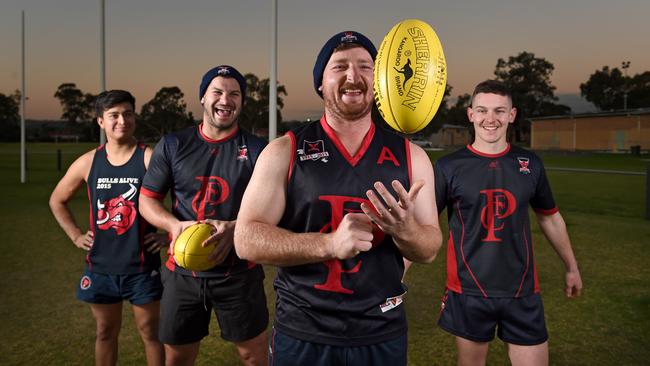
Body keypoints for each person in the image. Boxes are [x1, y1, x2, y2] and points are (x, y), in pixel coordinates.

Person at [234, 31, 442, 365]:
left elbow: (429, 248)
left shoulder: (411, 157)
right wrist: (329, 244)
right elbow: (246, 240)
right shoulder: (284, 151)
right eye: (339, 66)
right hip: (303, 333)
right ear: (320, 82)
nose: (352, 76)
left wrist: (405, 229)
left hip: (381, 331)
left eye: (364, 66)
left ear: (379, 81)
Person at [434, 79, 583, 366]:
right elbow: (424, 226)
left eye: (500, 111)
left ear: (512, 115)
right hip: (469, 291)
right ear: (470, 114)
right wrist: (398, 272)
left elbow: (550, 218)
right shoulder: (448, 167)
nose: (491, 119)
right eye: (482, 110)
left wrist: (572, 268)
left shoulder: (530, 163)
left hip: (522, 291)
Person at [138, 65, 269, 366]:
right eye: (218, 92)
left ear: (242, 102)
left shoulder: (259, 150)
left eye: (235, 94)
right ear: (202, 98)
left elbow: (278, 209)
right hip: (182, 271)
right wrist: (173, 225)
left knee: (253, 355)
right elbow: (147, 201)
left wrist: (237, 227)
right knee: (178, 357)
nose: (226, 99)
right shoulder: (173, 144)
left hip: (238, 271)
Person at [49, 90, 165, 366]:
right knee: (104, 333)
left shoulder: (150, 159)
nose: (122, 120)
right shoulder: (89, 162)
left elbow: (185, 199)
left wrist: (169, 235)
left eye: (128, 113)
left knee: (151, 333)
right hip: (100, 268)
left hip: (141, 267)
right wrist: (75, 235)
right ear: (100, 121)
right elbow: (57, 200)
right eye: (113, 115)